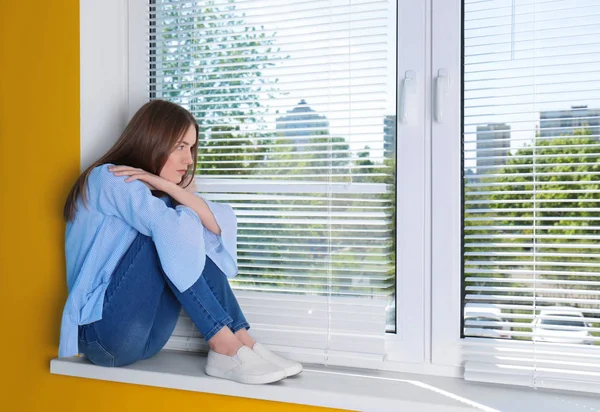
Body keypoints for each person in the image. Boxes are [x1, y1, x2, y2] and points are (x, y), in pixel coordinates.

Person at [58, 99, 302, 384]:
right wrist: (178, 195)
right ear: (152, 141)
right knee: (168, 233)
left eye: (191, 148)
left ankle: (243, 340)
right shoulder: (109, 177)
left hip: (148, 337)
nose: (188, 160)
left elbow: (218, 224)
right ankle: (224, 345)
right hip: (102, 336)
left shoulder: (155, 192)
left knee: (188, 232)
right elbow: (173, 231)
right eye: (180, 147)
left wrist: (168, 187)